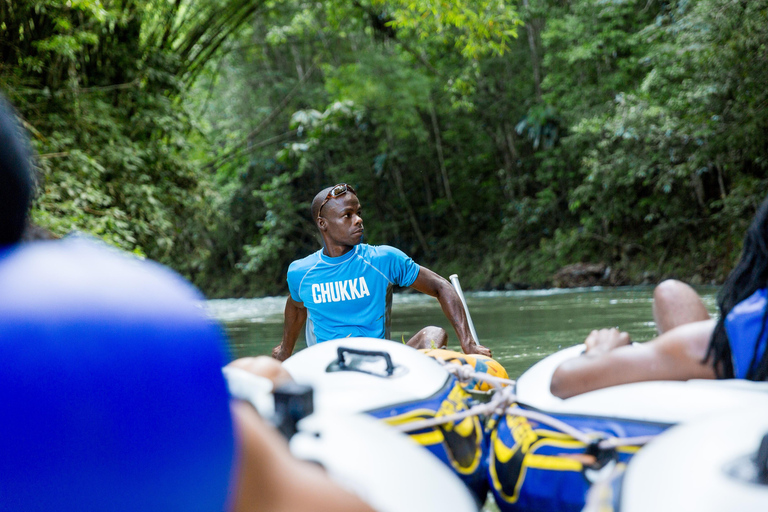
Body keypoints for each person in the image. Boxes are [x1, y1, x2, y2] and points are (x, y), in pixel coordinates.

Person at [0, 95, 373, 512]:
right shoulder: (142, 321)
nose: (356, 221)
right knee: (261, 372)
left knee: (261, 370)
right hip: (265, 444)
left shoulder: (379, 261)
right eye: (347, 215)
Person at [550, 194, 768, 399]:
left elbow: (564, 380)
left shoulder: (750, 330)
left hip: (729, 362)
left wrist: (601, 351)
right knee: (671, 293)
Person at [271, 183, 491, 361]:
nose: (358, 219)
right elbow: (296, 307)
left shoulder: (383, 259)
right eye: (347, 215)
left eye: (358, 212)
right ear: (323, 224)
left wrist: (468, 342)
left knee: (434, 334)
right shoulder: (301, 272)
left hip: (381, 362)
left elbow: (441, 286)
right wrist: (284, 351)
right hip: (330, 366)